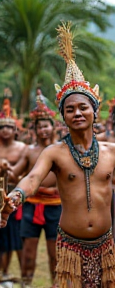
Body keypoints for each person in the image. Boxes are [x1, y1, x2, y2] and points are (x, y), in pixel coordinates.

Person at [0, 22, 115, 288]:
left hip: (105, 246)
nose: (77, 113)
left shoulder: (113, 152)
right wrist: (15, 197)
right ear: (63, 117)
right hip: (70, 247)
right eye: (70, 109)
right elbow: (32, 179)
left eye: (83, 107)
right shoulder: (54, 152)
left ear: (95, 112)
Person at [12, 95, 61, 287]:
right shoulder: (29, 151)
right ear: (35, 130)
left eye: (46, 125)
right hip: (32, 207)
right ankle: (26, 283)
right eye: (39, 126)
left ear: (53, 127)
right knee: (29, 253)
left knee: (54, 253)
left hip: (56, 207)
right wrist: (6, 169)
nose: (43, 130)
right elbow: (16, 175)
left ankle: (56, 285)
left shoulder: (62, 150)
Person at [0, 91, 26, 282]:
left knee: (14, 236)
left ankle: (16, 272)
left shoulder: (22, 148)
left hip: (16, 197)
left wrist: (12, 172)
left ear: (15, 130)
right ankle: (3, 273)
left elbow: (28, 173)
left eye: (10, 127)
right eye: (3, 127)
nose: (6, 130)